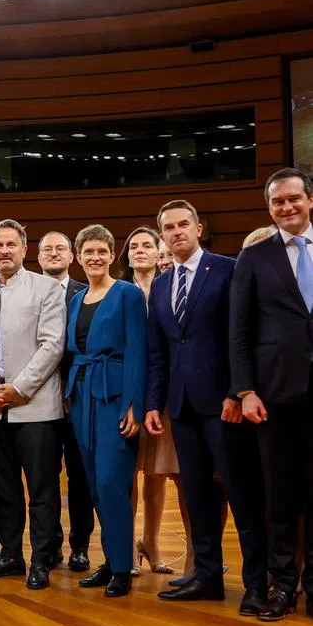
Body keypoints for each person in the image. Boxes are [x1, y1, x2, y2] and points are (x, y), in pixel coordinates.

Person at [146, 200, 268, 615]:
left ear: (199, 228)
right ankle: (207, 577)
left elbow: (243, 335)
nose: (176, 231)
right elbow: (160, 351)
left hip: (224, 403)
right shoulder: (162, 284)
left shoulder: (227, 269)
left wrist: (239, 391)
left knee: (242, 494)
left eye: (184, 224)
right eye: (169, 227)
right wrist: (154, 403)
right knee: (197, 495)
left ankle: (256, 584)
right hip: (180, 405)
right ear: (162, 234)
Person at [231, 168, 313, 621]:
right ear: (270, 208)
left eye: (293, 199)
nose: (286, 207)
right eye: (277, 202)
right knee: (279, 496)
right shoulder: (255, 256)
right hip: (273, 395)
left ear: (309, 200)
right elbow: (239, 330)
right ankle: (282, 587)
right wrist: (244, 389)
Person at [0, 219, 65, 590]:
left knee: (42, 490)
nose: (4, 251)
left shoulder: (46, 288)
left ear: (25, 250)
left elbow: (52, 345)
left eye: (11, 244)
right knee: (4, 489)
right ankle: (11, 555)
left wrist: (19, 388)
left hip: (36, 407)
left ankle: (42, 560)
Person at [64, 224, 146, 598]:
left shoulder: (127, 293)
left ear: (113, 255)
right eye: (87, 252)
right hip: (81, 396)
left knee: (114, 481)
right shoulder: (77, 299)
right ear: (78, 257)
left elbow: (138, 351)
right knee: (94, 483)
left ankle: (123, 568)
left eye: (101, 251)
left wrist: (134, 404)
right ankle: (112, 559)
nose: (94, 257)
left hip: (115, 395)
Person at [120, 225, 185, 577]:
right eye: (134, 245)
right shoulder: (119, 291)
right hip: (129, 394)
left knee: (160, 475)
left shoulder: (169, 290)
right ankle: (129, 547)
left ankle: (152, 542)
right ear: (127, 255)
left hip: (164, 395)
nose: (141, 250)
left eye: (148, 245)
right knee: (128, 475)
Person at [38, 230, 93, 572]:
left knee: (79, 476)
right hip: (39, 399)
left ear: (72, 255)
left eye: (60, 248)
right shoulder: (28, 293)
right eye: (47, 249)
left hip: (76, 398)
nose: (54, 253)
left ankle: (80, 546)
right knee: (44, 476)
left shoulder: (86, 293)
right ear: (38, 257)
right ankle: (51, 545)